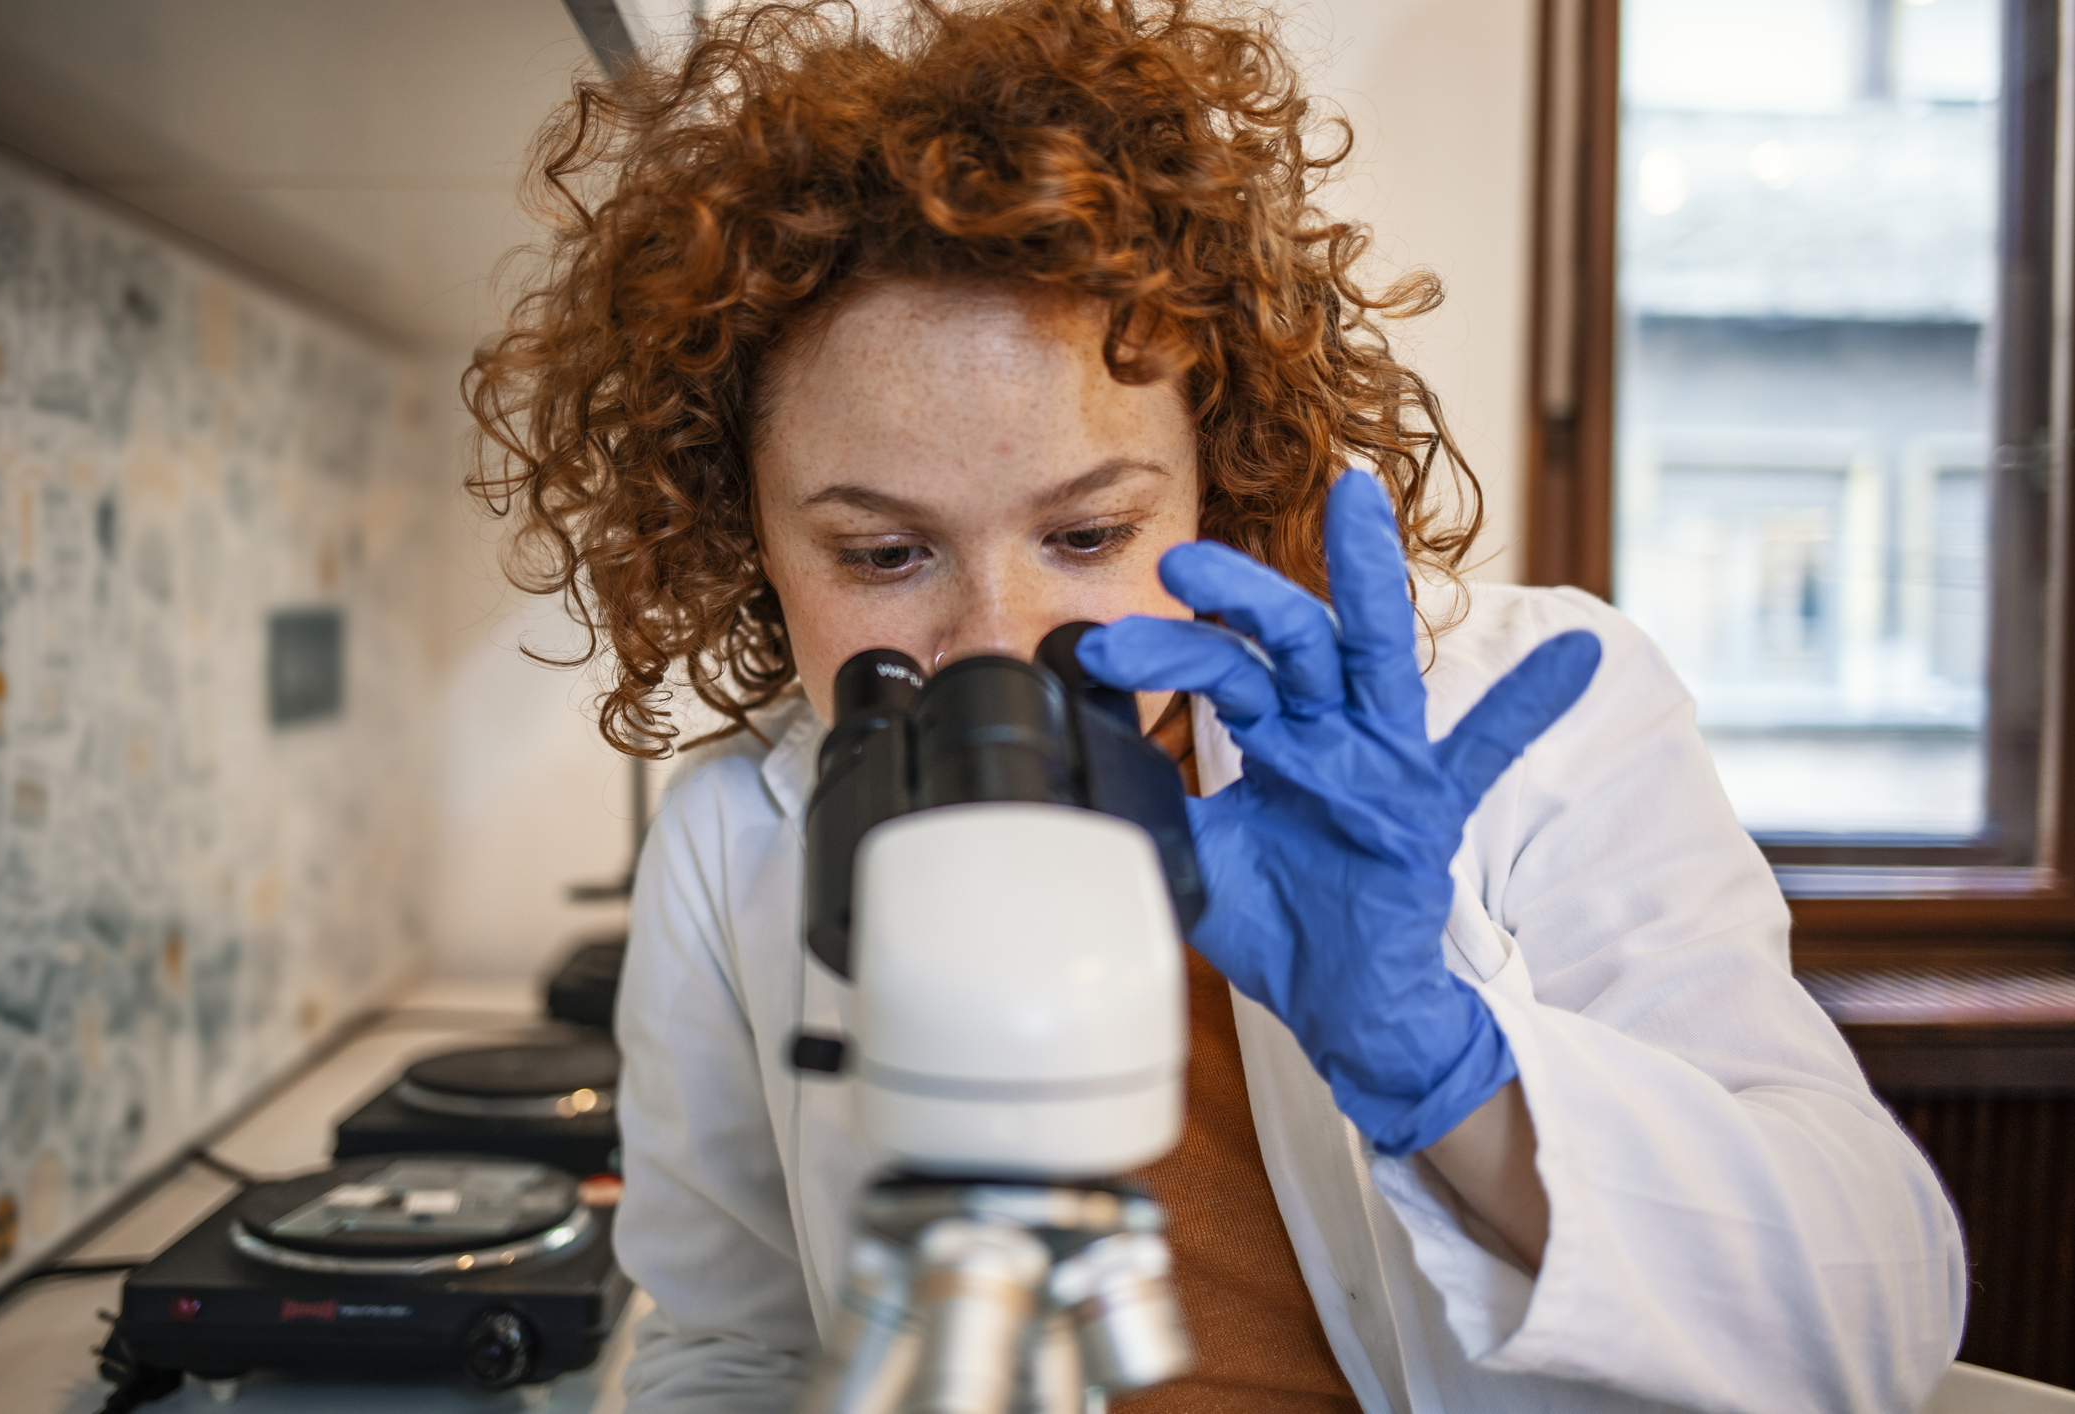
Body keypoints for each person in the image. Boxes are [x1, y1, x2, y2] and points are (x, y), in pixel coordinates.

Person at [465, 1, 1966, 1409]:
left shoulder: (1525, 714)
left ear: (1217, 484)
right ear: (748, 543)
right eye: (881, 552)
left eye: (1088, 535)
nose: (1000, 639)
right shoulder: (737, 843)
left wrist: (1443, 1066)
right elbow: (734, 1348)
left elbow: (1878, 1318)